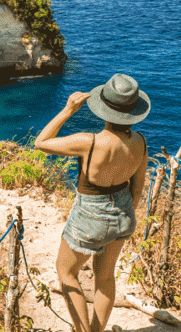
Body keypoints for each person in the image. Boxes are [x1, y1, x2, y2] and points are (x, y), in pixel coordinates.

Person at [33, 74, 150, 332]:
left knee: (66, 272)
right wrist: (122, 214)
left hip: (90, 217)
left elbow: (41, 142)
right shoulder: (141, 142)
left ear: (103, 109)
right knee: (105, 277)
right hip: (124, 215)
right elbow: (138, 189)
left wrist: (68, 110)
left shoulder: (90, 141)